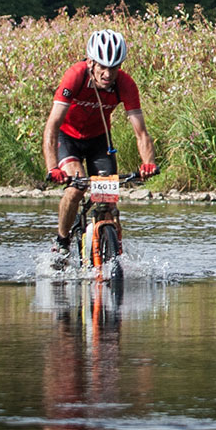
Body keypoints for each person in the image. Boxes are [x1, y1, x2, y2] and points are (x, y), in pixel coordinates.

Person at [42, 29, 157, 262]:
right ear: (91, 62)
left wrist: (148, 163)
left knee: (107, 200)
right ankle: (62, 241)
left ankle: (114, 254)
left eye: (114, 67)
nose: (107, 74)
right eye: (102, 67)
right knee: (77, 188)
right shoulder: (75, 77)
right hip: (68, 139)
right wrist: (52, 167)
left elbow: (141, 133)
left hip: (99, 141)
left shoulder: (125, 84)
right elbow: (52, 127)